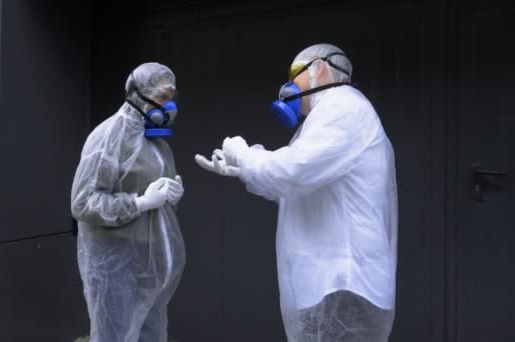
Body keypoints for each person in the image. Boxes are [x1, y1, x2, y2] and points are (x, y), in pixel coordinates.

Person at [196, 43, 398, 341]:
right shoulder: (328, 115)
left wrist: (243, 153)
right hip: (333, 278)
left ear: (319, 69)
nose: (288, 85)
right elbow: (298, 183)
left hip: (342, 280)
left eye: (294, 74)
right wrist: (244, 169)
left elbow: (289, 172)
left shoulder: (343, 107)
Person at [71, 62, 186, 342]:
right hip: (114, 266)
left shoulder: (157, 142)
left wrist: (171, 196)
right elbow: (83, 202)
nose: (169, 105)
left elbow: (159, 202)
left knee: (152, 335)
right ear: (138, 95)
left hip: (150, 265)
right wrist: (140, 203)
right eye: (162, 97)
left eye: (172, 98)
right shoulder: (108, 137)